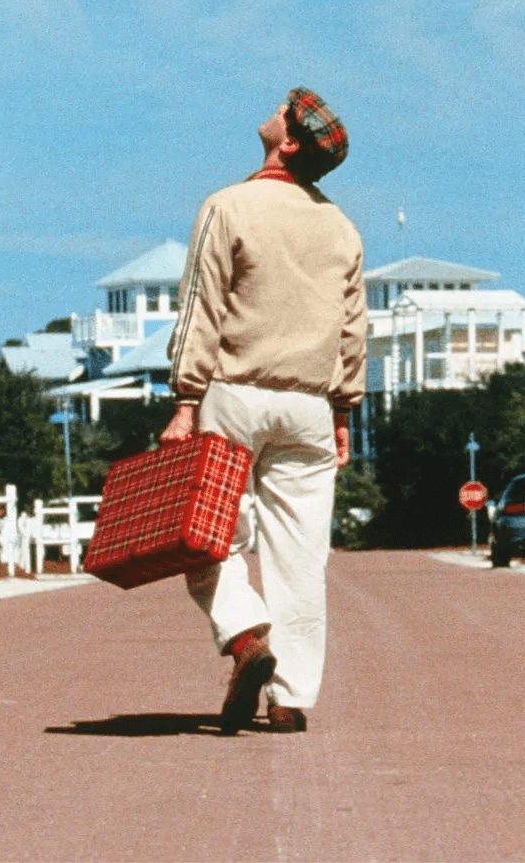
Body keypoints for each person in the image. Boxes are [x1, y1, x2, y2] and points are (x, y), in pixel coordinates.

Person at [160, 87, 364, 735]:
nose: (273, 110)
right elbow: (353, 329)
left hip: (234, 396)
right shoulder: (342, 228)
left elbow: (201, 309)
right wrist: (343, 412)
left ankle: (246, 635)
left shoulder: (229, 206)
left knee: (205, 536)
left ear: (290, 140)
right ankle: (290, 697)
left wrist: (185, 400)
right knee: (301, 557)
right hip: (308, 404)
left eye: (284, 110)